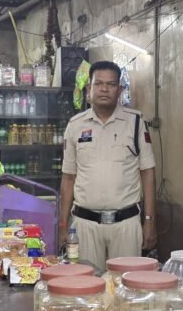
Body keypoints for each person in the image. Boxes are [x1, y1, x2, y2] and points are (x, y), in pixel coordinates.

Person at [59, 60, 157, 270]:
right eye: (99, 83)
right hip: (85, 225)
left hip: (126, 225)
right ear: (89, 89)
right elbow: (68, 178)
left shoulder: (135, 123)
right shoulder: (75, 126)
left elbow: (148, 173)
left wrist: (149, 220)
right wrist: (63, 225)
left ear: (119, 90)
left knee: (126, 283)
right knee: (86, 284)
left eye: (111, 84)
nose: (104, 89)